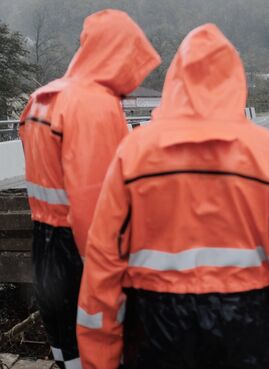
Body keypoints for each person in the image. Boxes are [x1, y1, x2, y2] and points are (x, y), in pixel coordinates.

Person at [76, 23, 269, 369]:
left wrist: (98, 361)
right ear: (235, 81)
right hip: (247, 325)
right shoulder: (268, 154)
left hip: (155, 326)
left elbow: (103, 264)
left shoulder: (134, 152)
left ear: (175, 81)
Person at [18, 9, 160, 369]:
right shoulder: (95, 105)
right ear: (117, 55)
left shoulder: (40, 98)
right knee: (103, 345)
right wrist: (114, 276)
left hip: (45, 243)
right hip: (81, 250)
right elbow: (96, 204)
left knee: (66, 345)